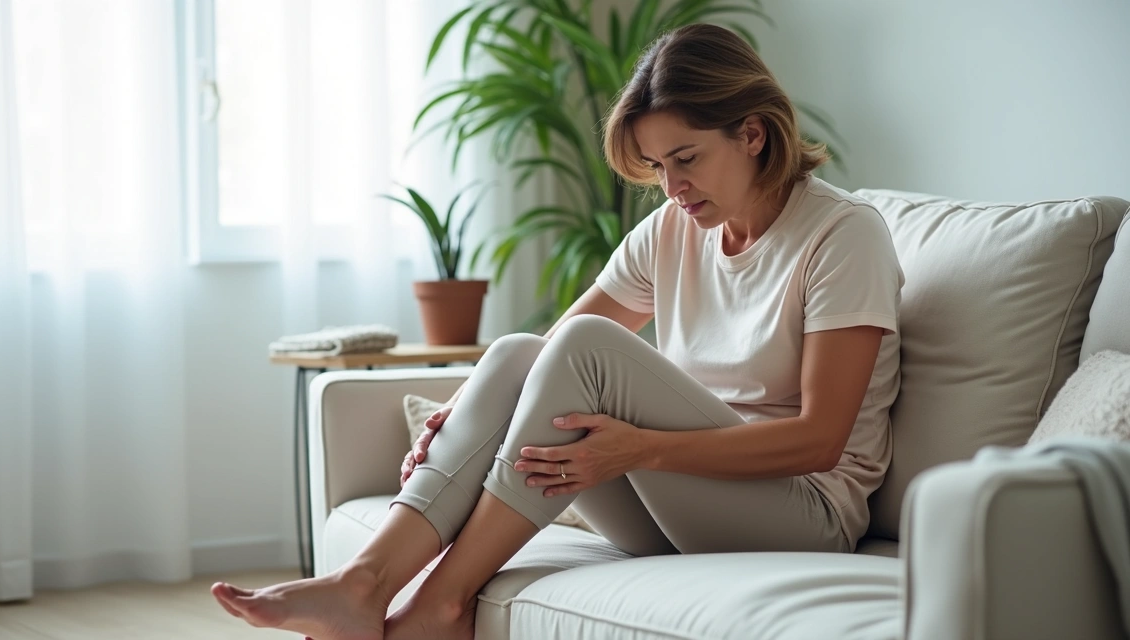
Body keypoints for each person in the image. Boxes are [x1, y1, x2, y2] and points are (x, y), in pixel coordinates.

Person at [210, 22, 903, 640]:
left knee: (581, 349)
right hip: (685, 505)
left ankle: (443, 605)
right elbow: (542, 358)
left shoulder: (842, 235)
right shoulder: (673, 229)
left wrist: (642, 450)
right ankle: (362, 582)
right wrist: (463, 416)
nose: (672, 187)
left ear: (752, 134)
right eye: (659, 167)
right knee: (517, 353)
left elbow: (820, 441)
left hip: (801, 516)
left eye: (686, 158)